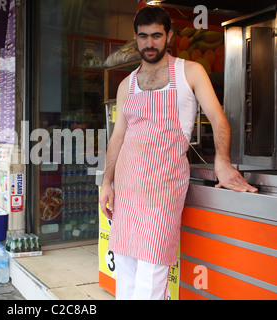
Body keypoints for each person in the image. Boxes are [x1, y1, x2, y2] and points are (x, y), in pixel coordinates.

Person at [99, 6, 257, 300]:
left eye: (156, 35)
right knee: (126, 280)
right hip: (127, 191)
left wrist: (221, 161)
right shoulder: (126, 84)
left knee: (151, 282)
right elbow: (117, 137)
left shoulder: (190, 72)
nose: (150, 43)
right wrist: (107, 183)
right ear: (136, 38)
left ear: (169, 36)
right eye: (143, 36)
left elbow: (219, 119)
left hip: (162, 193)